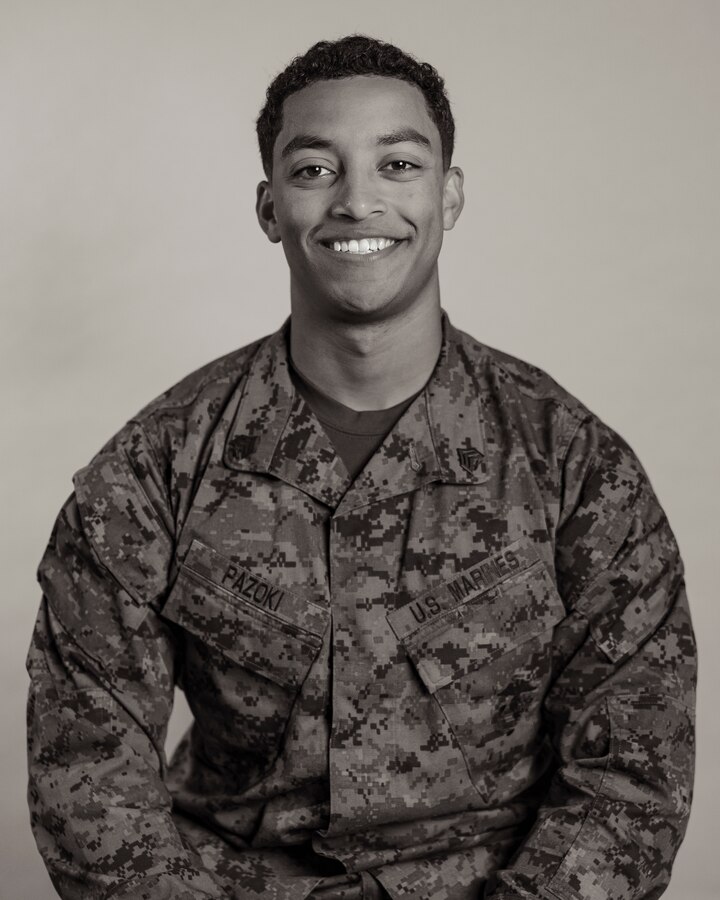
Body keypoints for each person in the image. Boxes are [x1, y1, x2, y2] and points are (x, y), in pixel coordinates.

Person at [26, 34, 696, 900]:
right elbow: (88, 783)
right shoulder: (152, 473)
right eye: (315, 170)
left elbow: (632, 781)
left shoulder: (576, 468)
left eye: (398, 165)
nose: (357, 200)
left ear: (449, 195)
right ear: (270, 208)